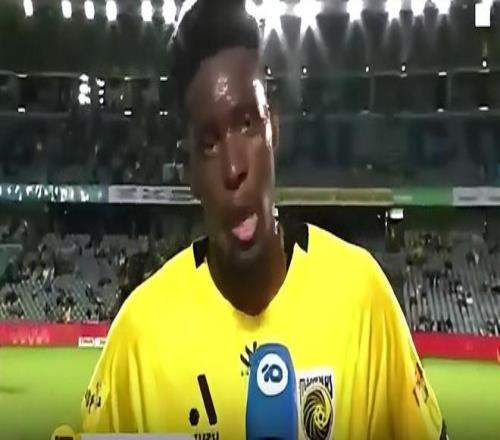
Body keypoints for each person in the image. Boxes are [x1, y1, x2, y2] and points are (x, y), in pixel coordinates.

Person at [81, 1, 446, 438]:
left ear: (274, 128)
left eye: (247, 124)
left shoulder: (361, 296)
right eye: (209, 143)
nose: (234, 167)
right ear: (188, 171)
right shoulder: (140, 334)